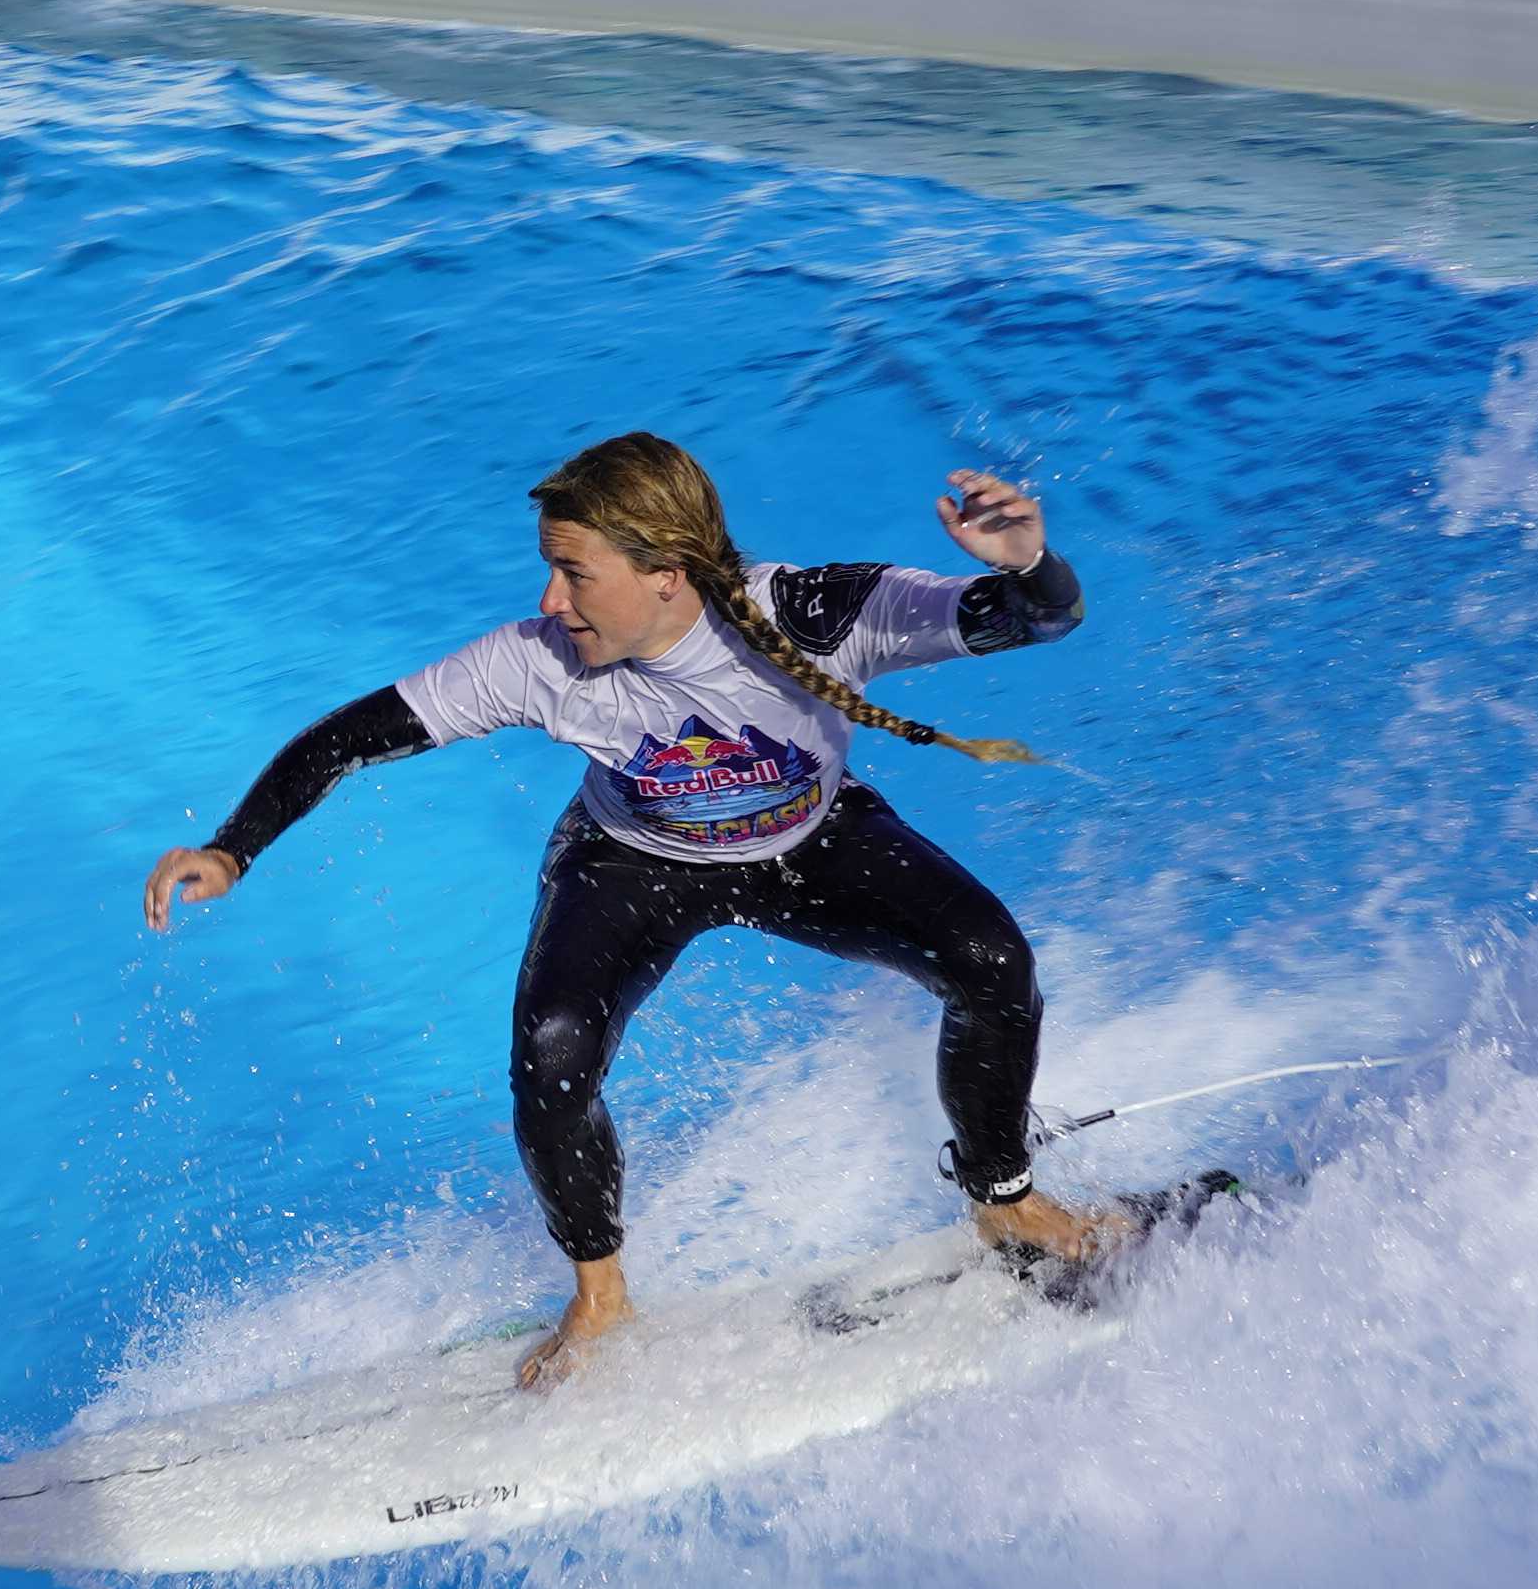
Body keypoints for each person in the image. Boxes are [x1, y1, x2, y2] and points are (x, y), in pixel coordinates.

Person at [142, 432, 1106, 1388]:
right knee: (551, 1052)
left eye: (571, 572)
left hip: (811, 842)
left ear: (667, 574)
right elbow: (351, 735)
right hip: (633, 860)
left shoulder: (816, 614)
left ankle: (1005, 1201)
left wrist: (1029, 564)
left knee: (990, 962)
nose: (548, 601)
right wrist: (234, 846)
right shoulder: (536, 661)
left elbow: (1037, 619)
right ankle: (599, 1296)